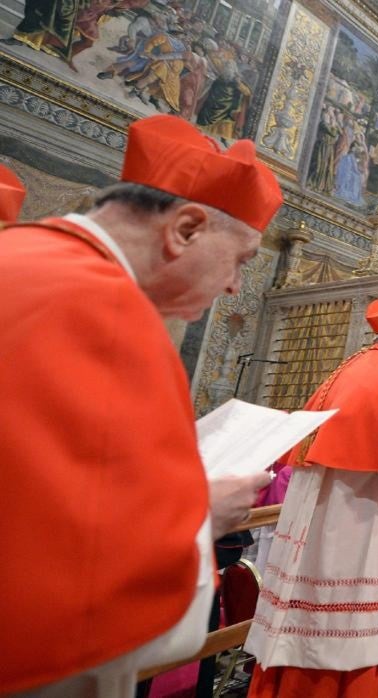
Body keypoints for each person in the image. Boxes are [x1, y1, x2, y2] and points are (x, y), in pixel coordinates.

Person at [0, 114, 281, 696]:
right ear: (186, 229)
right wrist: (203, 515)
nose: (235, 286)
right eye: (244, 259)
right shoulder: (108, 312)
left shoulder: (20, 254)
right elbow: (88, 589)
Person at [244, 294, 378, 698]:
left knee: (306, 641)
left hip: (325, 537)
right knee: (346, 649)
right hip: (356, 538)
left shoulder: (349, 369)